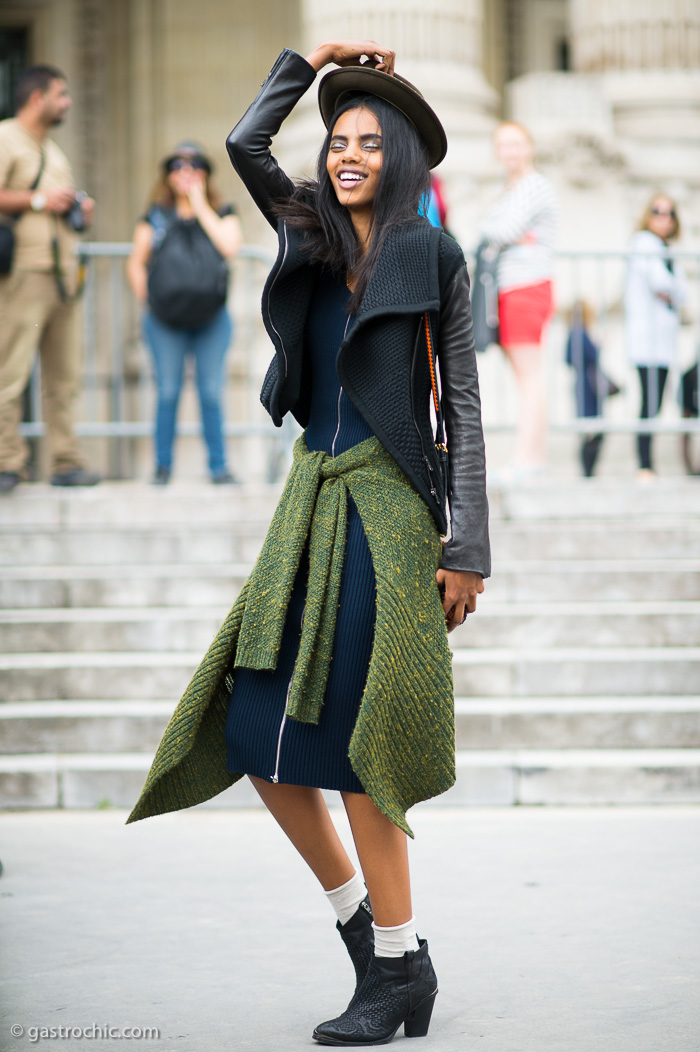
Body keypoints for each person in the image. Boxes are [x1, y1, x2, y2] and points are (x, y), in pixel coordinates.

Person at [126, 40, 490, 1047]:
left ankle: (393, 963)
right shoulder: (312, 234)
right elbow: (247, 142)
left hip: (388, 505)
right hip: (308, 501)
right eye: (337, 140)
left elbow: (460, 399)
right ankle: (376, 940)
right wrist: (307, 65)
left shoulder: (431, 252)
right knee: (257, 731)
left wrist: (468, 547)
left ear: (404, 156)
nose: (346, 154)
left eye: (368, 142)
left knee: (362, 745)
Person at [0, 64, 100, 493]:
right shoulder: (6, 138)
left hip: (64, 277)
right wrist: (40, 198)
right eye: (61, 95)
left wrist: (78, 207)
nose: (67, 103)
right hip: (24, 272)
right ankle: (7, 462)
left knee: (64, 377)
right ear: (37, 98)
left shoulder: (53, 150)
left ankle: (65, 461)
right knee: (11, 372)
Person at [126, 142, 243, 484]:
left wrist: (198, 204)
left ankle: (219, 468)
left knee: (210, 391)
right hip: (165, 320)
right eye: (177, 167)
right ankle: (162, 467)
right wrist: (148, 300)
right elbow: (136, 262)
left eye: (195, 167)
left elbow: (229, 246)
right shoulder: (155, 216)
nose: (186, 173)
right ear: (167, 176)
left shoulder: (223, 211)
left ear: (206, 174)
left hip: (212, 319)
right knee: (167, 391)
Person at [479, 121, 558, 479]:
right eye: (503, 145)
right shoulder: (512, 190)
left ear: (530, 147)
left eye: (516, 144)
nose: (509, 151)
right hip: (512, 288)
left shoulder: (533, 186)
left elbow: (498, 231)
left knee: (530, 379)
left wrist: (502, 234)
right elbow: (505, 232)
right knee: (525, 378)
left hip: (526, 287)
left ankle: (528, 461)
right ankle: (531, 458)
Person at [624, 193, 687, 480]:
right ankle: (645, 465)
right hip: (647, 339)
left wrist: (672, 290)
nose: (664, 218)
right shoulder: (644, 243)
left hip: (661, 341)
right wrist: (672, 290)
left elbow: (678, 291)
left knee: (656, 403)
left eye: (670, 213)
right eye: (658, 212)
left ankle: (648, 464)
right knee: (649, 402)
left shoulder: (668, 249)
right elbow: (662, 284)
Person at [565, 300, 620, 477]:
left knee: (589, 430)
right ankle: (588, 470)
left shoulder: (572, 333)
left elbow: (567, 360)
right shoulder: (581, 333)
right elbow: (593, 355)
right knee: (594, 430)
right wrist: (598, 344)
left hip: (583, 385)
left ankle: (587, 470)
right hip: (589, 387)